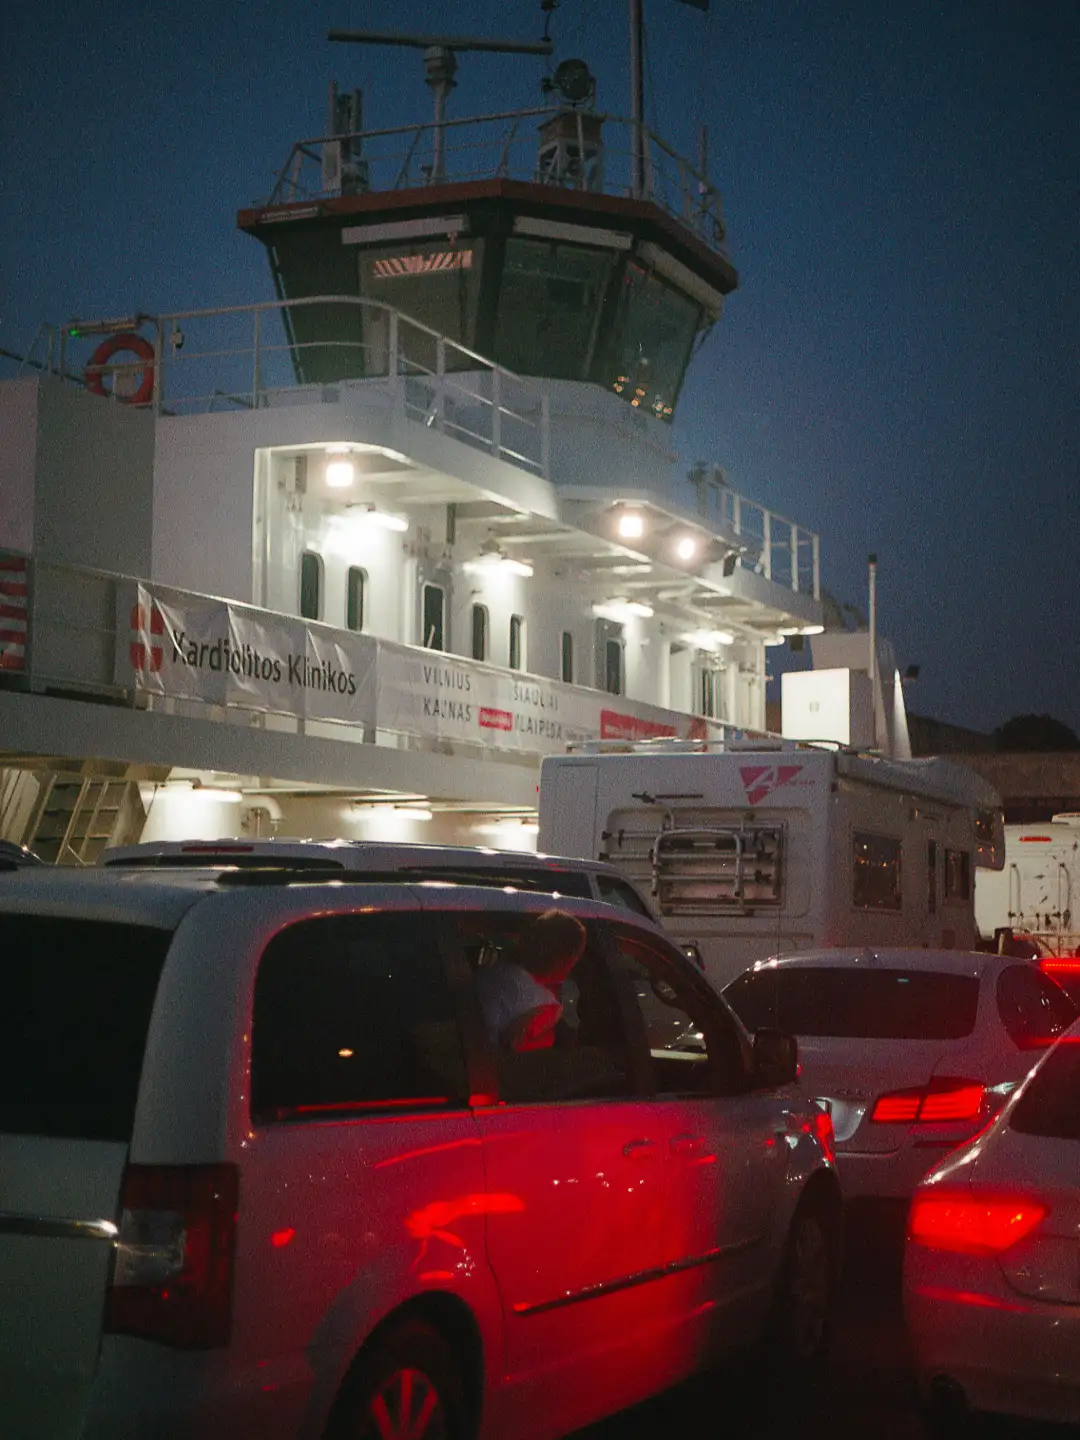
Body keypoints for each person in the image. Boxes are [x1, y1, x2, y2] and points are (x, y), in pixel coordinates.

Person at [477, 910, 587, 1053]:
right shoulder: (545, 1006)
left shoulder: (486, 975)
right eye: (577, 957)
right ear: (564, 958)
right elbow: (523, 1062)